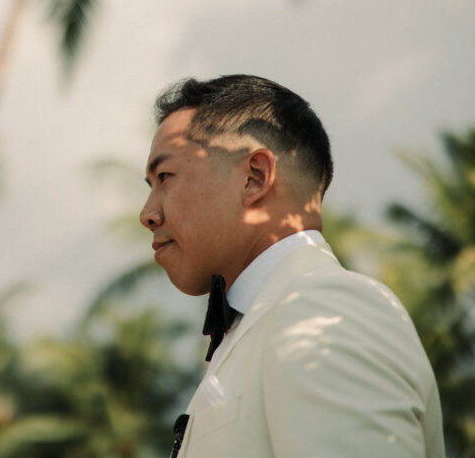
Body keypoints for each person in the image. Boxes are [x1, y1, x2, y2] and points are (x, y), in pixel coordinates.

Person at [139, 75, 444, 457]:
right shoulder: (268, 320)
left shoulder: (324, 309)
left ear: (255, 178)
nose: (147, 213)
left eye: (164, 177)